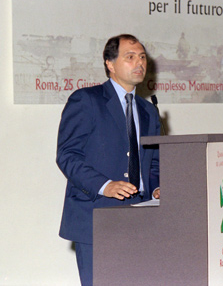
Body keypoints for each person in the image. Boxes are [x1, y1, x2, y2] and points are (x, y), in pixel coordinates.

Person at [56, 34, 161, 285]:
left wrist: (157, 187)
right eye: (130, 57)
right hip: (97, 215)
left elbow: (155, 161)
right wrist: (105, 185)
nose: (139, 63)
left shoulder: (149, 111)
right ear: (110, 64)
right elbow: (67, 155)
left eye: (142, 57)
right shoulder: (86, 100)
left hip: (141, 219)